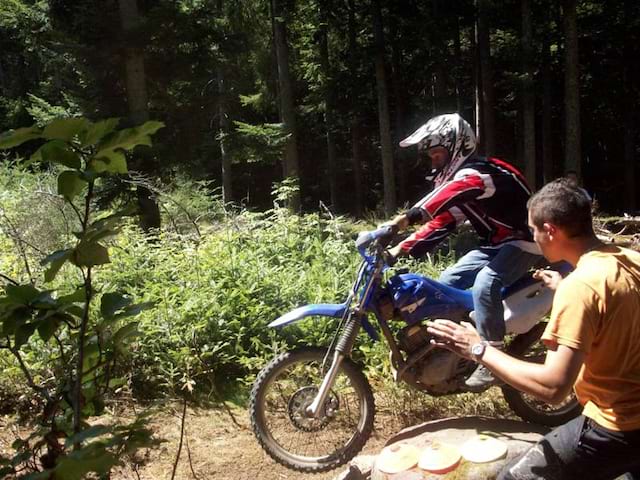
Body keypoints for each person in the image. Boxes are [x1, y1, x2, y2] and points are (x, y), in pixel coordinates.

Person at [426, 178, 640, 480]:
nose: (532, 237)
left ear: (550, 230)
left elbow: (552, 389)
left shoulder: (582, 286)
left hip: (617, 427)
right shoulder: (628, 260)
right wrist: (567, 286)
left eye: (533, 229)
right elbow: (611, 302)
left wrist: (478, 348)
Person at [385, 113, 541, 390]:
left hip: (526, 242)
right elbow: (443, 221)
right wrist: (397, 249)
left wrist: (402, 221)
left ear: (457, 147)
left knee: (485, 284)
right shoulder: (463, 187)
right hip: (495, 245)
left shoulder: (480, 173)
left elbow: (451, 192)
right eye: (431, 156)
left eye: (436, 154)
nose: (433, 162)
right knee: (446, 283)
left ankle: (491, 356)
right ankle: (451, 347)